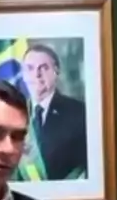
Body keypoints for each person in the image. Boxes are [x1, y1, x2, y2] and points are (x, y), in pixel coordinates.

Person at [19, 43, 87, 181]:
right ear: (23, 75)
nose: (36, 75)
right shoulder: (16, 113)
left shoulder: (79, 112)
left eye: (43, 68)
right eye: (30, 68)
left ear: (56, 72)